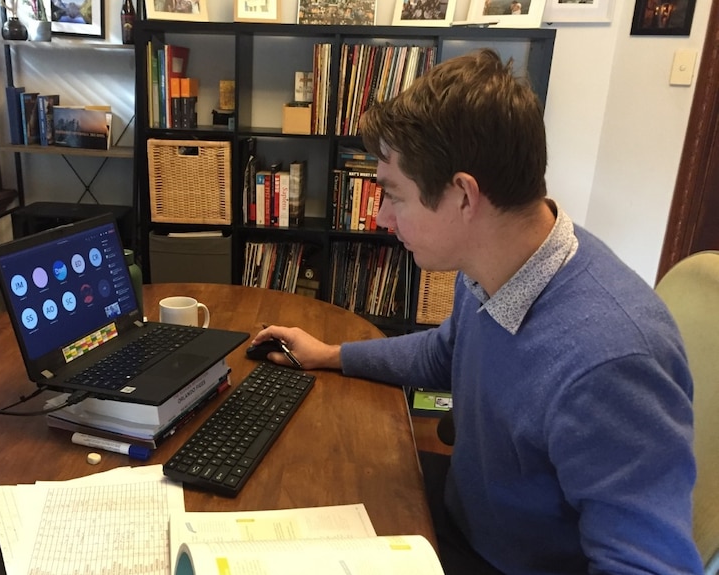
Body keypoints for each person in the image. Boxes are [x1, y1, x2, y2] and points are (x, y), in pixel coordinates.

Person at [250, 49, 702, 575]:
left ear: (464, 195)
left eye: (394, 195)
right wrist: (328, 354)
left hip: (497, 562)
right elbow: (448, 349)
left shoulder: (611, 360)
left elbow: (649, 566)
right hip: (461, 514)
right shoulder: (497, 264)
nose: (381, 218)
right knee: (303, 491)